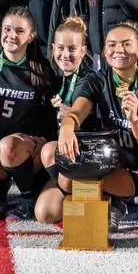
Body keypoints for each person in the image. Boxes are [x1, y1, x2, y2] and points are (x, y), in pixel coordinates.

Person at [53, 22, 138, 231]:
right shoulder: (96, 80)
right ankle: (114, 201)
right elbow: (78, 110)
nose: (118, 50)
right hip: (117, 162)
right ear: (104, 50)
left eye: (127, 44)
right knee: (65, 165)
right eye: (112, 44)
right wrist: (67, 126)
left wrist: (135, 120)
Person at [0, 7, 60, 217]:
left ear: (32, 36)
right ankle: (1, 183)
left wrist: (45, 138)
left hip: (20, 146)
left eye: (19, 31)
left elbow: (53, 110)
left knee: (8, 147)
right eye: (7, 29)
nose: (11, 36)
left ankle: (28, 195)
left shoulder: (40, 68)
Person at [32, 16, 94, 224]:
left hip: (85, 157)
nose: (65, 55)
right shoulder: (55, 78)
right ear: (52, 48)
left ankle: (105, 198)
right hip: (63, 158)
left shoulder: (90, 80)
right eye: (60, 48)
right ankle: (67, 195)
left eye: (72, 49)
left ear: (83, 51)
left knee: (50, 150)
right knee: (44, 214)